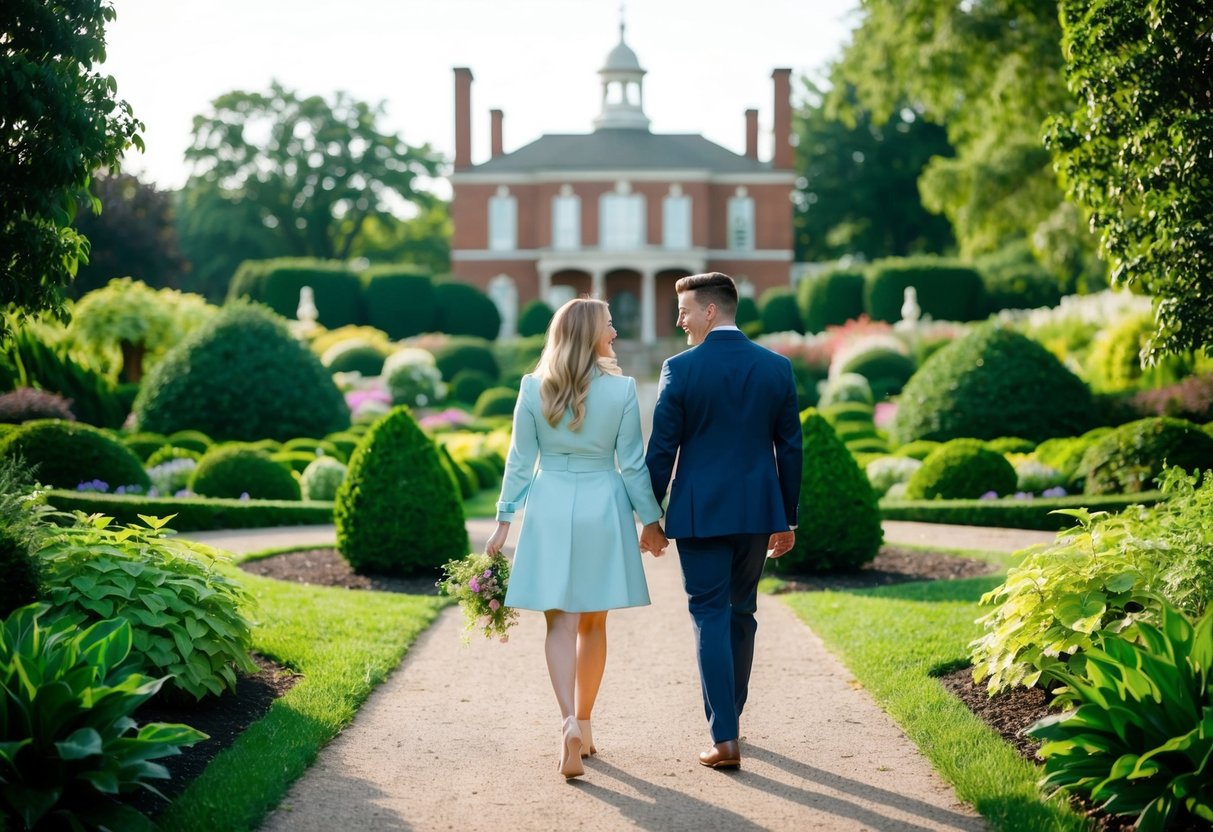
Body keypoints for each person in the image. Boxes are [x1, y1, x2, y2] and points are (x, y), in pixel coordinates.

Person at [485, 297, 665, 780]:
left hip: (548, 504)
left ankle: (565, 719)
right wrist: (651, 520)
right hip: (602, 505)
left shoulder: (531, 386)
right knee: (593, 624)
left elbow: (519, 461)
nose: (614, 333)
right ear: (589, 333)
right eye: (609, 326)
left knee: (558, 625)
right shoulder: (623, 389)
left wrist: (504, 519)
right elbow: (631, 463)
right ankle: (584, 727)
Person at [641, 272, 802, 770]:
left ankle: (725, 736)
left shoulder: (680, 369)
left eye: (686, 310)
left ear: (711, 311)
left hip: (700, 511)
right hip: (757, 511)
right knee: (741, 613)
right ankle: (730, 724)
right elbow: (791, 448)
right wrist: (787, 518)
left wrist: (650, 514)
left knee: (709, 614)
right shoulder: (777, 367)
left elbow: (663, 447)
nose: (679, 319)